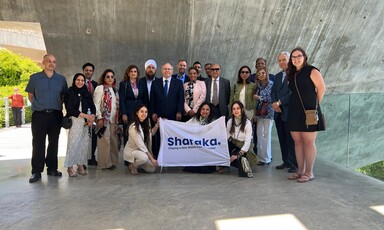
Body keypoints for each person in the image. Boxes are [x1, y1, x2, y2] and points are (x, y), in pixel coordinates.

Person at [25, 54, 68, 183]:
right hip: (39, 115)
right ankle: (36, 171)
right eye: (49, 61)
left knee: (54, 142)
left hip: (55, 114)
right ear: (43, 62)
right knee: (38, 143)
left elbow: (63, 97)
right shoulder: (34, 78)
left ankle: (52, 168)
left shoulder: (61, 79)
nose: (51, 64)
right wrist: (40, 106)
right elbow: (30, 96)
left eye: (54, 62)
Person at [286, 47, 325, 183]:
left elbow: (321, 88)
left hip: (309, 111)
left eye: (299, 56)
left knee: (309, 141)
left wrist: (315, 107)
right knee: (297, 141)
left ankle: (309, 172)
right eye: (293, 57)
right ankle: (300, 171)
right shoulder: (291, 73)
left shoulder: (312, 70)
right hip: (294, 111)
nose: (296, 59)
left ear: (304, 57)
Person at [64, 73, 96, 177]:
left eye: (82, 80)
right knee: (73, 143)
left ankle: (80, 165)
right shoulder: (70, 92)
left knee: (83, 144)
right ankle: (69, 167)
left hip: (86, 122)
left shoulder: (86, 92)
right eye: (78, 80)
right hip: (75, 120)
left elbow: (92, 106)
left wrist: (92, 117)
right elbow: (70, 109)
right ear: (74, 80)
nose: (80, 82)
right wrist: (86, 115)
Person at [150, 63, 184, 157]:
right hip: (159, 114)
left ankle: (172, 156)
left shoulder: (178, 83)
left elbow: (181, 99)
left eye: (169, 69)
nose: (167, 71)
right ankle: (158, 156)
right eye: (165, 69)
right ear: (161, 70)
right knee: (159, 137)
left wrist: (179, 111)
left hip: (173, 115)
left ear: (172, 71)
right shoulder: (155, 83)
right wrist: (153, 112)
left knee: (172, 137)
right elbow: (152, 99)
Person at [271, 52, 297, 173]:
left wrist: (280, 102)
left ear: (289, 60)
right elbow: (273, 92)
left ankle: (295, 163)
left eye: (284, 60)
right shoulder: (276, 76)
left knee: (291, 139)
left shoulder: (294, 74)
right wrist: (274, 104)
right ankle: (286, 161)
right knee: (282, 138)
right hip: (278, 112)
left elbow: (292, 92)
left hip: (289, 111)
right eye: (280, 60)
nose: (282, 62)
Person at [93, 69, 120, 170]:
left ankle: (113, 162)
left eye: (112, 76)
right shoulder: (100, 88)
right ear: (104, 78)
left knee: (113, 141)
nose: (110, 78)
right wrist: (99, 117)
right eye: (107, 76)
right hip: (104, 119)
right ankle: (105, 164)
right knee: (104, 141)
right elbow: (95, 104)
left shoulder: (115, 90)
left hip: (114, 119)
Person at [218, 101, 253, 174]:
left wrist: (238, 155)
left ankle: (243, 164)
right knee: (222, 146)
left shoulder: (247, 123)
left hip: (243, 148)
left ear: (242, 110)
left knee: (240, 162)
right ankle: (225, 166)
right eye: (234, 109)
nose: (236, 110)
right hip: (234, 145)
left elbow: (247, 143)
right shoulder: (230, 121)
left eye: (238, 108)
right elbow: (226, 137)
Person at [123, 104, 159, 175]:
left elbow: (151, 133)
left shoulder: (145, 123)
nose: (144, 114)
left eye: (146, 112)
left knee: (152, 169)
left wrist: (157, 124)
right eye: (141, 111)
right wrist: (151, 158)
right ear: (137, 113)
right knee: (144, 158)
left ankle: (139, 163)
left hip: (142, 152)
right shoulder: (133, 127)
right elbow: (141, 145)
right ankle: (133, 165)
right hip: (132, 151)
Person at [184, 102, 216, 173]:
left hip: (207, 148)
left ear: (210, 111)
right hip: (196, 148)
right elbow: (183, 127)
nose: (205, 111)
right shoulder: (194, 119)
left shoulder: (213, 122)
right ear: (200, 110)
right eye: (203, 109)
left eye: (207, 110)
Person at [254, 66, 274, 165]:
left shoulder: (271, 84)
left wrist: (259, 97)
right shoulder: (258, 85)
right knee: (259, 134)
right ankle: (261, 157)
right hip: (259, 113)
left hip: (269, 112)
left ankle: (266, 158)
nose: (261, 75)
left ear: (266, 73)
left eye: (263, 73)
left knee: (267, 135)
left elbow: (271, 98)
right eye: (259, 74)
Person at [119, 65, 144, 145]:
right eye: (131, 71)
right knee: (128, 133)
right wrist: (124, 113)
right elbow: (122, 100)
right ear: (128, 73)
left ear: (137, 73)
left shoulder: (141, 83)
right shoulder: (123, 84)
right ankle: (128, 156)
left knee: (139, 132)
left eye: (135, 71)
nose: (133, 73)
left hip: (139, 112)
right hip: (128, 112)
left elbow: (144, 98)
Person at [82, 62, 98, 166]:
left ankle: (91, 158)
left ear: (93, 72)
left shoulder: (96, 85)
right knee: (83, 138)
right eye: (86, 70)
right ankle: (82, 160)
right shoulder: (79, 82)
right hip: (83, 114)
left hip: (94, 113)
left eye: (90, 70)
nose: (88, 72)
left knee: (93, 137)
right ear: (83, 71)